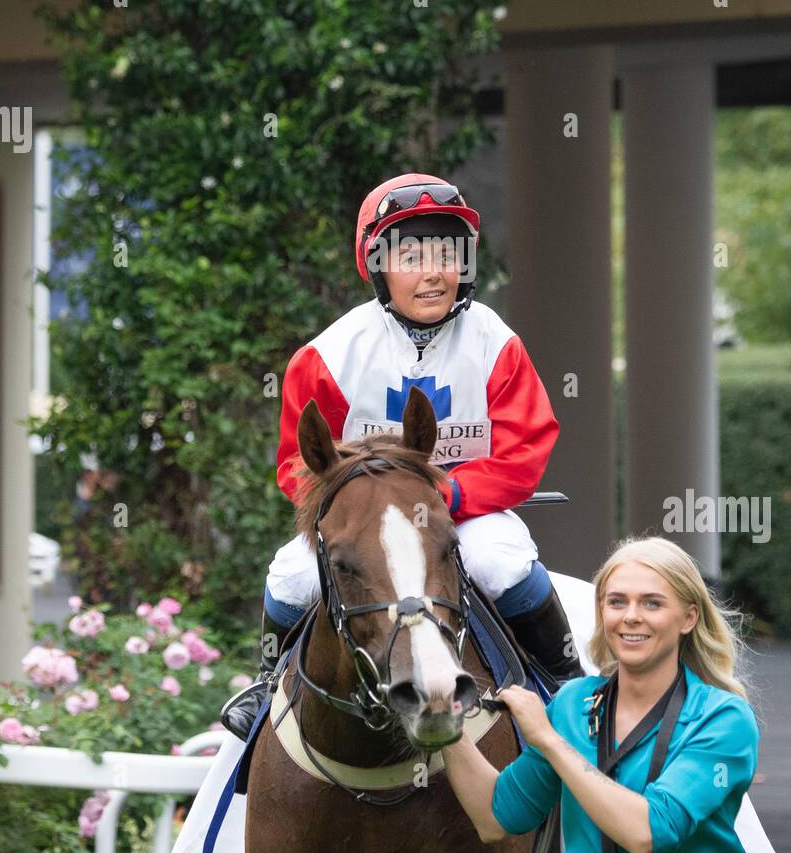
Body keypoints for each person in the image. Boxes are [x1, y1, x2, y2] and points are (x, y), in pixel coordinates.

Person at [220, 172, 582, 740]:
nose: (433, 271)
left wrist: (448, 495)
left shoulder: (496, 342)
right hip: (363, 522)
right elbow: (296, 464)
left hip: (466, 513)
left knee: (502, 563)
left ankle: (564, 681)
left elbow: (524, 451)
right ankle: (266, 689)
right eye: (411, 256)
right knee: (290, 576)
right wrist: (364, 507)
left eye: (447, 253)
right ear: (378, 267)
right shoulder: (326, 356)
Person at [442, 535, 763, 853]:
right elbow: (496, 817)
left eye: (652, 603)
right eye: (616, 602)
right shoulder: (572, 703)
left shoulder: (723, 718)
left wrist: (549, 741)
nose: (631, 616)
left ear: (689, 618)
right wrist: (443, 726)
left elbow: (649, 832)